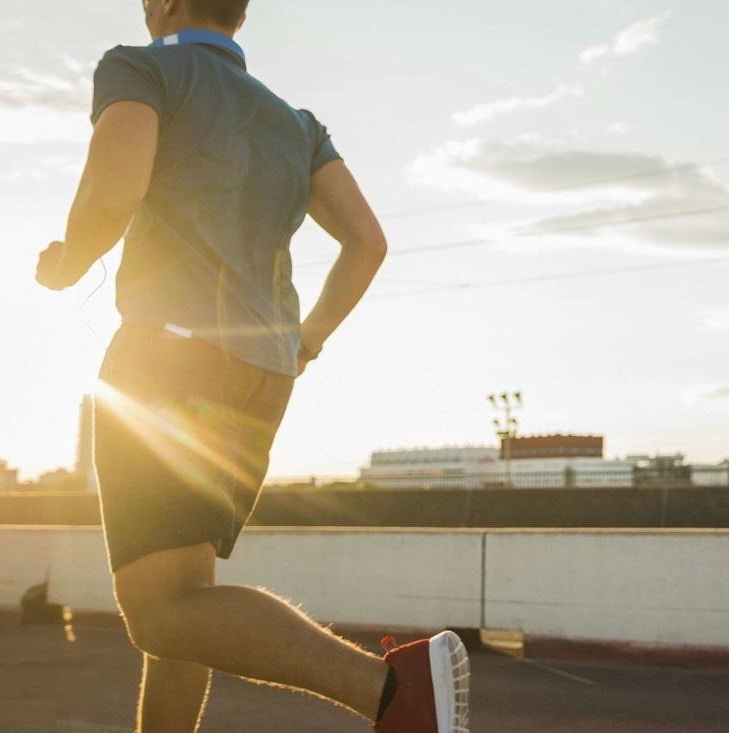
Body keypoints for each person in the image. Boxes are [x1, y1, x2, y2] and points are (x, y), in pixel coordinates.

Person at [34, 1, 468, 730]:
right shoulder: (298, 124)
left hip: (167, 359)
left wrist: (65, 261)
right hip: (261, 376)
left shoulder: (142, 69)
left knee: (159, 612)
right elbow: (367, 241)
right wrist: (306, 341)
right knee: (188, 599)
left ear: (168, 2)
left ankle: (395, 693)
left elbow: (114, 190)